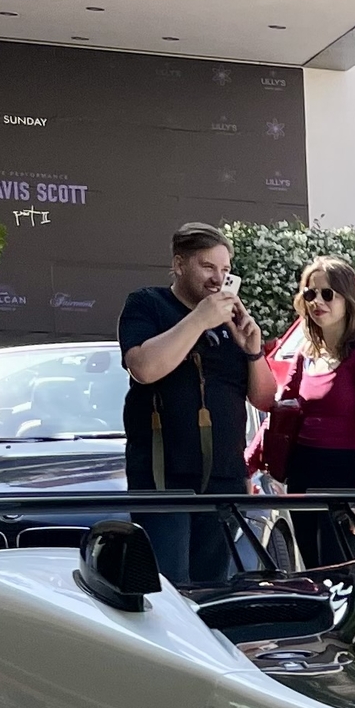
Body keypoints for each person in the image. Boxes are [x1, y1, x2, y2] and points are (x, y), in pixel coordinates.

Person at [119, 221, 276, 586]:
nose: (217, 279)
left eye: (224, 270)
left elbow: (265, 399)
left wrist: (253, 351)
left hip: (223, 479)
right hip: (164, 480)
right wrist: (199, 319)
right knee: (168, 590)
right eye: (208, 267)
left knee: (213, 589)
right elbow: (144, 368)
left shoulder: (229, 321)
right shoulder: (147, 303)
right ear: (179, 264)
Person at [265, 256, 355, 566]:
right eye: (310, 293)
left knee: (345, 574)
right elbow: (280, 416)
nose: (316, 301)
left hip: (345, 475)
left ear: (347, 300)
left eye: (327, 294)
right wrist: (250, 463)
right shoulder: (305, 354)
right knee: (313, 572)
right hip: (303, 474)